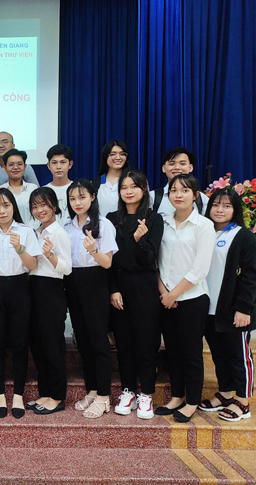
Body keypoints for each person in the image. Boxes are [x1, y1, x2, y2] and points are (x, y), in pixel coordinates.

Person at [200, 188, 256, 421]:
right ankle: (226, 393)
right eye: (216, 205)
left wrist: (244, 308)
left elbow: (253, 275)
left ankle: (243, 402)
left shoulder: (242, 236)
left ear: (235, 209)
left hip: (234, 310)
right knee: (219, 355)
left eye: (226, 206)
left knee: (239, 357)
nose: (220, 210)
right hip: (209, 308)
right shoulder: (205, 231)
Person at [155, 174, 214, 423]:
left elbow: (200, 269)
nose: (178, 195)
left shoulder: (203, 225)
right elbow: (157, 261)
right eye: (174, 190)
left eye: (185, 190)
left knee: (191, 353)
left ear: (196, 195)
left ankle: (192, 402)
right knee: (173, 351)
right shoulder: (162, 222)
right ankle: (177, 396)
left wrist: (173, 294)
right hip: (165, 296)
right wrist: (164, 292)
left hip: (192, 298)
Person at [107, 170, 163, 419]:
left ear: (144, 189)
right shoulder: (112, 219)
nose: (129, 191)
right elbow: (108, 259)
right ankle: (128, 390)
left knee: (146, 342)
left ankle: (146, 393)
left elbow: (151, 259)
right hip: (120, 286)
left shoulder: (154, 218)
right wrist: (113, 289)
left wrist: (141, 240)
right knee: (124, 342)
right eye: (124, 187)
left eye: (134, 186)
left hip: (145, 286)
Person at [0, 189, 40, 419]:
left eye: (6, 205)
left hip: (20, 287)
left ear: (13, 206)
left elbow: (33, 265)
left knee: (19, 343)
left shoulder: (26, 231)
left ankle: (18, 395)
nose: (2, 211)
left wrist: (20, 248)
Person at [64, 179, 118, 419]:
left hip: (95, 282)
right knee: (83, 341)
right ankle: (93, 390)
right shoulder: (67, 227)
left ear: (93, 197)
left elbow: (108, 263)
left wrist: (93, 250)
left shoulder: (103, 224)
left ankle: (104, 396)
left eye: (82, 197)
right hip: (73, 282)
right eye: (73, 198)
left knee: (98, 340)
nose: (77, 202)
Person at [25, 187, 72, 415]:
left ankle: (57, 397)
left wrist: (51, 255)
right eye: (35, 206)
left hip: (51, 290)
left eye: (44, 205)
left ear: (54, 206)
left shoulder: (59, 233)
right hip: (33, 288)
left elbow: (67, 268)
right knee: (39, 346)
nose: (39, 210)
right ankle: (45, 393)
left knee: (53, 347)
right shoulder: (36, 231)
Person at [150, 147, 208, 216]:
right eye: (172, 163)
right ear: (164, 168)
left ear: (190, 167)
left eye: (182, 164)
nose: (177, 167)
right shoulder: (152, 197)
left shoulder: (202, 199)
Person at [0, 149, 39, 228]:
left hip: (30, 232)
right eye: (11, 164)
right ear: (4, 168)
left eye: (19, 164)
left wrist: (27, 231)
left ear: (25, 167)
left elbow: (38, 213)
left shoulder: (33, 189)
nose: (15, 167)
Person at [94, 140, 131, 217]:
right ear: (105, 157)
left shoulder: (134, 181)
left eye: (122, 154)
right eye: (113, 154)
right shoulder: (95, 184)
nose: (118, 157)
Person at [45, 144, 74, 226]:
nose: (58, 167)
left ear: (70, 164)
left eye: (63, 162)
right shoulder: (44, 192)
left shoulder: (78, 189)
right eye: (54, 163)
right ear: (48, 166)